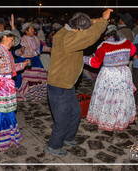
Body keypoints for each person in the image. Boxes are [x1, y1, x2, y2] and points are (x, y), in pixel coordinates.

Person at [45, 9, 113, 156]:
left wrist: (98, 19)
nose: (83, 31)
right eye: (82, 29)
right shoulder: (69, 39)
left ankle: (68, 138)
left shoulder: (68, 30)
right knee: (62, 118)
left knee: (75, 113)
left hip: (68, 84)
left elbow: (86, 27)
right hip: (59, 85)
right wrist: (103, 22)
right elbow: (90, 36)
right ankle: (54, 146)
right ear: (78, 28)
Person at [84, 25, 137, 131]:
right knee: (122, 97)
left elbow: (95, 63)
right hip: (123, 73)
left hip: (109, 74)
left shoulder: (104, 46)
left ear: (105, 35)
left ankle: (107, 120)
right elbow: (133, 52)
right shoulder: (127, 43)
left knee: (107, 97)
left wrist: (83, 59)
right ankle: (121, 119)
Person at [14, 22, 51, 101]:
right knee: (23, 78)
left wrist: (51, 49)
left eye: (33, 29)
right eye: (31, 29)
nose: (33, 30)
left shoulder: (36, 38)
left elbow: (41, 48)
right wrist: (21, 51)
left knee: (39, 76)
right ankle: (23, 94)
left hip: (35, 59)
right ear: (26, 31)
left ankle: (36, 94)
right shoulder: (22, 40)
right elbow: (16, 51)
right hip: (25, 60)